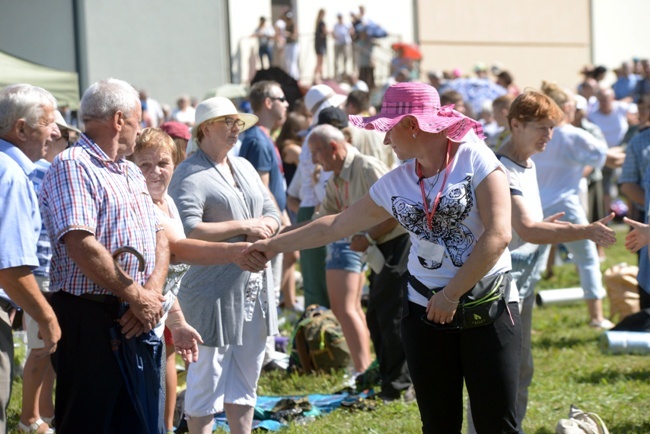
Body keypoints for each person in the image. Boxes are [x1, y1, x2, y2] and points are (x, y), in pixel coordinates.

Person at [245, 82, 522, 433]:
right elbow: (335, 225)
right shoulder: (399, 180)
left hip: (488, 305)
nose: (386, 140)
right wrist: (273, 245)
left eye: (389, 130)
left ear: (412, 125)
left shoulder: (475, 156)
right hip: (424, 311)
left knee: (497, 424)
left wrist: (451, 294)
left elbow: (499, 234)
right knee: (438, 425)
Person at [468, 90, 616, 433]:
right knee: (497, 374)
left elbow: (526, 228)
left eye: (553, 128)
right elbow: (527, 230)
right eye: (543, 128)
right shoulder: (501, 167)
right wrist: (585, 230)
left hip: (520, 282)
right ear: (516, 124)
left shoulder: (527, 162)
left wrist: (549, 228)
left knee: (519, 369)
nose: (550, 136)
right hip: (497, 285)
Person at [39, 78, 170, 433]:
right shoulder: (74, 165)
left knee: (135, 421)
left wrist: (150, 295)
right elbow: (81, 243)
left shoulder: (128, 169)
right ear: (118, 119)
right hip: (89, 315)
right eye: (138, 120)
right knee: (89, 421)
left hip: (133, 313)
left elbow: (159, 235)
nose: (140, 128)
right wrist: (136, 295)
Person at [130, 127, 272, 433]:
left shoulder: (167, 201)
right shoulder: (140, 202)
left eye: (163, 163)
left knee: (152, 406)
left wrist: (177, 321)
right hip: (136, 319)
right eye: (145, 165)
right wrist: (235, 250)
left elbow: (170, 275)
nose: (155, 172)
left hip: (161, 315)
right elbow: (179, 250)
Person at [167, 97, 280, 434]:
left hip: (254, 289)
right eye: (227, 122)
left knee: (247, 375)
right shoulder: (188, 173)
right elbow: (185, 231)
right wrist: (245, 227)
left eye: (237, 122)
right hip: (210, 292)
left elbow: (272, 212)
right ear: (205, 129)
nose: (235, 128)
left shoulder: (243, 166)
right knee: (207, 378)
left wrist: (266, 230)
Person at [310, 122, 413, 401]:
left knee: (390, 315)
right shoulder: (336, 180)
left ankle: (400, 386)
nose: (312, 160)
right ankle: (389, 379)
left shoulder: (366, 167)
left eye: (316, 153)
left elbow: (398, 209)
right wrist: (280, 237)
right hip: (379, 247)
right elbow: (322, 222)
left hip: (398, 243)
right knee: (377, 315)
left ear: (333, 147)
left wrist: (367, 236)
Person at [0, 84, 62, 434]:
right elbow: (9, 269)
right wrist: (47, 318)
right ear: (21, 129)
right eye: (49, 122)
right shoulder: (10, 173)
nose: (56, 131)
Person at [531, 81, 613, 329]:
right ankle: (596, 317)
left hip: (535, 207)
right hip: (567, 205)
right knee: (587, 259)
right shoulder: (574, 134)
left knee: (531, 263)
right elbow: (602, 156)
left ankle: (523, 319)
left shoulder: (535, 133)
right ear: (566, 107)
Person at [19, 110, 78, 434]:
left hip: (54, 271)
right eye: (55, 133)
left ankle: (43, 411)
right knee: (41, 346)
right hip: (38, 270)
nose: (57, 138)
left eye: (63, 134)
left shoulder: (56, 170)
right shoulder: (34, 172)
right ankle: (28, 417)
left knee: (51, 344)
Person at [239, 81, 293, 368]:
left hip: (267, 225)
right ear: (268, 102)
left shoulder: (260, 137)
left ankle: (267, 350)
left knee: (267, 290)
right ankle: (267, 354)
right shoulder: (258, 140)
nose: (287, 104)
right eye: (282, 98)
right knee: (266, 291)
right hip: (266, 228)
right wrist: (280, 222)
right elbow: (262, 189)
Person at [333, 12, 353, 80]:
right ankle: (337, 74)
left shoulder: (347, 24)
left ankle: (345, 72)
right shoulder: (335, 25)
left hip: (346, 44)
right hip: (338, 44)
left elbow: (352, 31)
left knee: (346, 58)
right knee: (337, 59)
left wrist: (348, 33)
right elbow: (333, 34)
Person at [313, 9, 328, 83]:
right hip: (320, 44)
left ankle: (317, 76)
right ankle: (320, 76)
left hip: (318, 44)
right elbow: (325, 31)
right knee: (320, 62)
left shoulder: (318, 22)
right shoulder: (321, 22)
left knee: (319, 62)